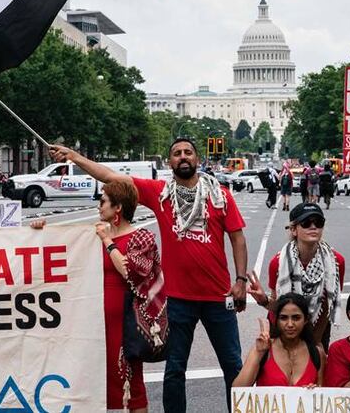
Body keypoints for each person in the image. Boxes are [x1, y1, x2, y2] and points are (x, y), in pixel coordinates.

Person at [50, 139, 248, 413]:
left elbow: (237, 238)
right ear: (170, 163)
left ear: (198, 159)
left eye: (188, 152)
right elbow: (110, 177)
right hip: (177, 300)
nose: (182, 157)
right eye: (177, 154)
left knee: (233, 367)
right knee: (175, 370)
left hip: (219, 296)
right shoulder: (160, 193)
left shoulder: (221, 195)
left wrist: (241, 280)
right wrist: (74, 157)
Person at [95, 179, 164, 412]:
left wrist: (107, 241)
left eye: (103, 201)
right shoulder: (96, 235)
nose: (98, 206)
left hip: (126, 322)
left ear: (118, 208)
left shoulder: (140, 237)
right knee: (98, 381)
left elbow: (130, 272)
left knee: (131, 382)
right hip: (98, 322)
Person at [247, 203, 344, 349]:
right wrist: (263, 300)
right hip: (283, 328)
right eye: (306, 223)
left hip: (318, 327)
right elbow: (278, 308)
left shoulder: (336, 262)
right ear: (293, 229)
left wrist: (314, 342)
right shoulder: (278, 263)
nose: (313, 227)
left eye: (318, 223)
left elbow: (326, 306)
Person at [232, 293, 324, 388]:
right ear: (276, 320)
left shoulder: (317, 354)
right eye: (284, 318)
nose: (290, 324)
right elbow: (238, 389)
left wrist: (315, 390)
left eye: (296, 318)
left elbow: (324, 394)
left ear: (305, 320)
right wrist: (259, 353)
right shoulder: (263, 349)